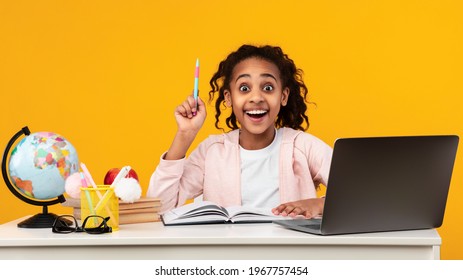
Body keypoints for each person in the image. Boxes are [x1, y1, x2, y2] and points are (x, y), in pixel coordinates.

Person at [147, 44, 333, 218]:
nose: (256, 97)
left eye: (268, 88)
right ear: (228, 98)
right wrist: (185, 134)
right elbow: (158, 209)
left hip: (291, 252)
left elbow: (358, 192)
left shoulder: (302, 146)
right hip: (228, 253)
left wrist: (320, 204)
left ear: (283, 96)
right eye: (244, 88)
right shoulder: (212, 151)